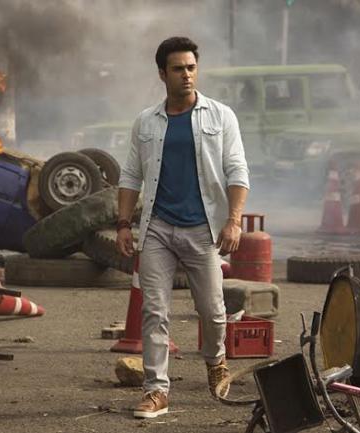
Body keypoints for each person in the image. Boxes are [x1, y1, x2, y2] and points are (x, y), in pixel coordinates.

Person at [115, 36, 249, 419]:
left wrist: (234, 221)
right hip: (157, 228)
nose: (187, 75)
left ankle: (216, 360)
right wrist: (123, 224)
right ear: (162, 74)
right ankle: (156, 390)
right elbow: (131, 175)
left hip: (203, 229)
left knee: (213, 310)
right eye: (178, 69)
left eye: (191, 67)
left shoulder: (220, 116)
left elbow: (237, 170)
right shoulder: (146, 121)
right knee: (154, 312)